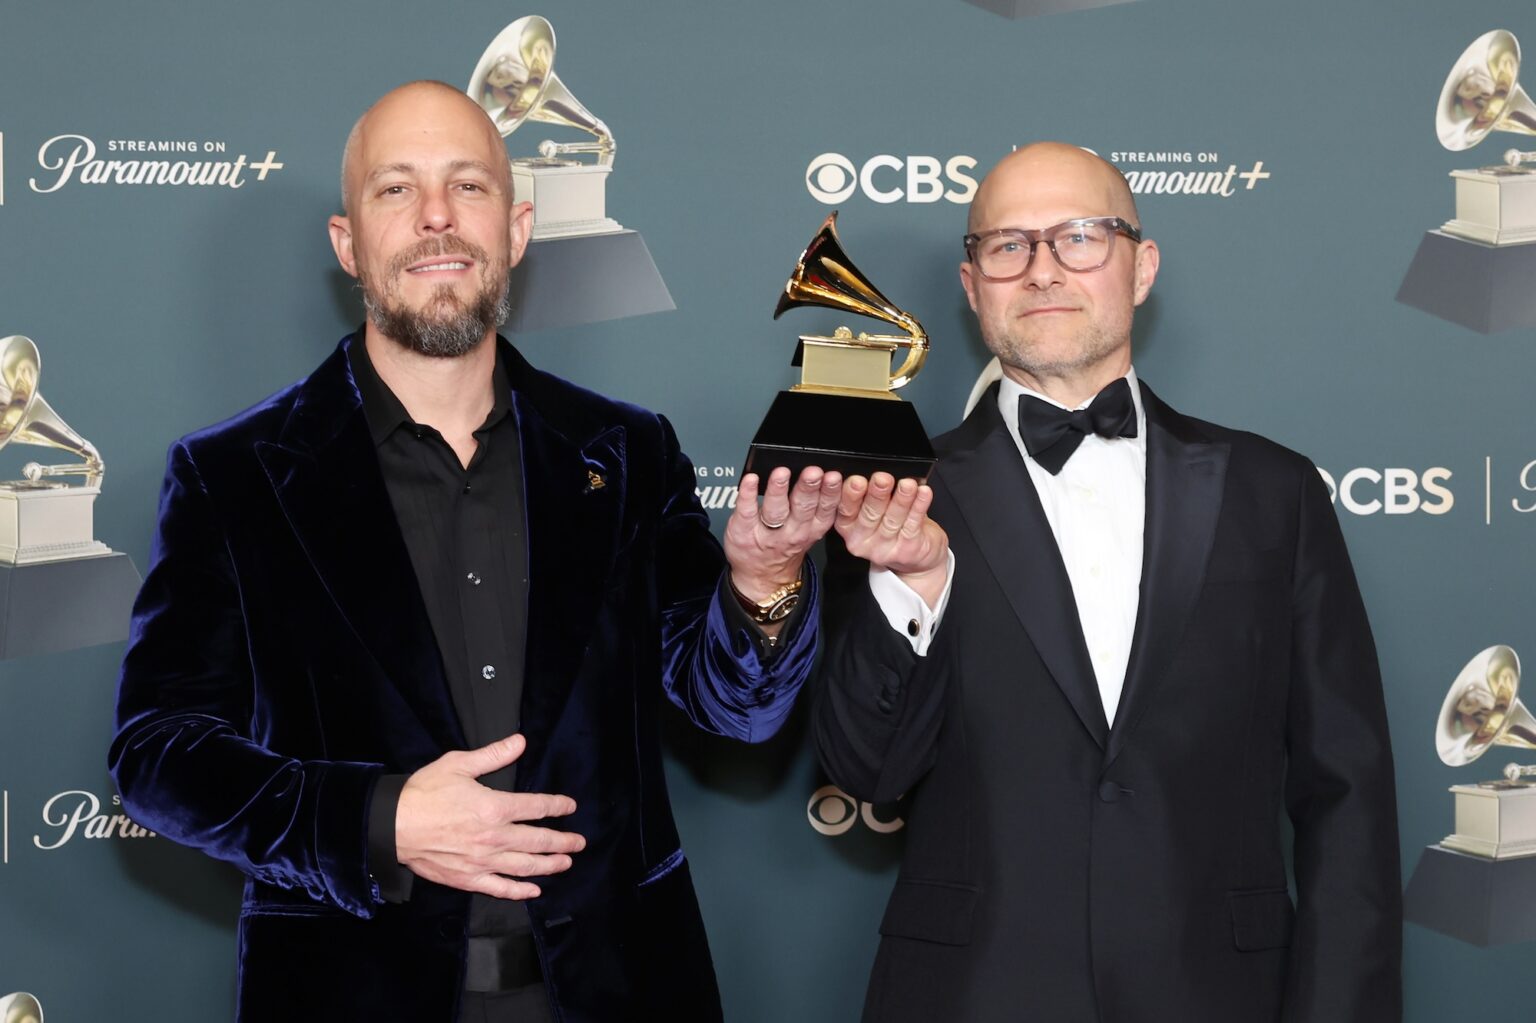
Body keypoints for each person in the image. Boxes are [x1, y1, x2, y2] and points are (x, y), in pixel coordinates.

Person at [109, 80, 845, 1022]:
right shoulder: (233, 476)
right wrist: (381, 820)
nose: (436, 218)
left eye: (469, 186)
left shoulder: (625, 452)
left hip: (621, 989)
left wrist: (762, 583)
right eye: (395, 190)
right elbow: (157, 755)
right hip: (348, 993)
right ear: (347, 244)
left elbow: (734, 712)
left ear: (517, 229)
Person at [813, 143, 1402, 1023]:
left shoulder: (1275, 493)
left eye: (1081, 237)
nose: (1044, 269)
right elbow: (867, 768)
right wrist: (910, 587)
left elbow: (1347, 800)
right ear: (973, 285)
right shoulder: (892, 495)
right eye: (1009, 246)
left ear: (1143, 265)